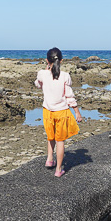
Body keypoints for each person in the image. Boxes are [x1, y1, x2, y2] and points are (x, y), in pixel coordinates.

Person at [35, 47, 83, 177]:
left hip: (47, 111)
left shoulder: (42, 74)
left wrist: (46, 71)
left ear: (47, 60)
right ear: (61, 61)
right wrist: (77, 112)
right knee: (60, 141)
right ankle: (58, 169)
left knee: (50, 136)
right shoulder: (65, 76)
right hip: (61, 112)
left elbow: (38, 85)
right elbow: (69, 96)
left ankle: (49, 159)